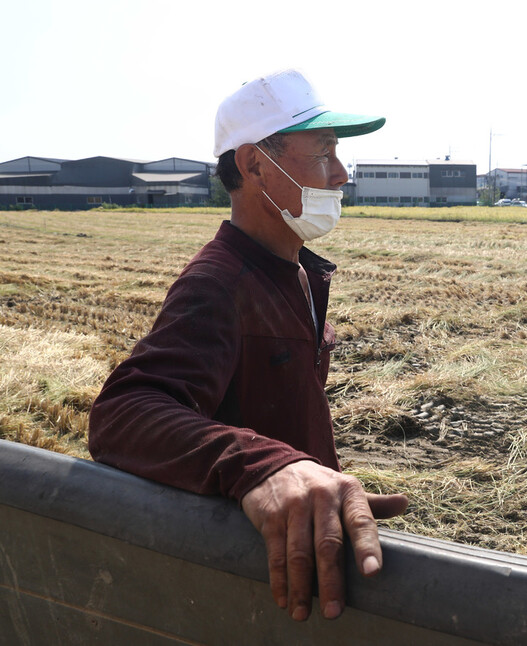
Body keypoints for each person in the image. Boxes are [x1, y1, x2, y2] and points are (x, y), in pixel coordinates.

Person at [88, 69, 408, 622]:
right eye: (324, 152)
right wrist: (262, 467)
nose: (341, 174)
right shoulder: (219, 282)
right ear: (253, 163)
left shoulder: (300, 273)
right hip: (246, 574)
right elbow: (123, 412)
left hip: (298, 545)